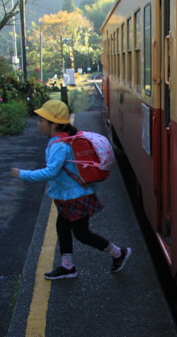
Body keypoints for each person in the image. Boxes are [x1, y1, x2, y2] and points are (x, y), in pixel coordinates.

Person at [10, 100, 131, 280]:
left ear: (54, 124)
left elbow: (51, 172)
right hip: (67, 196)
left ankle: (118, 253)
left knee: (82, 234)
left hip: (76, 196)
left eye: (41, 120)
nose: (38, 124)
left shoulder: (58, 145)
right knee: (62, 227)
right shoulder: (59, 140)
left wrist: (22, 174)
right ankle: (67, 266)